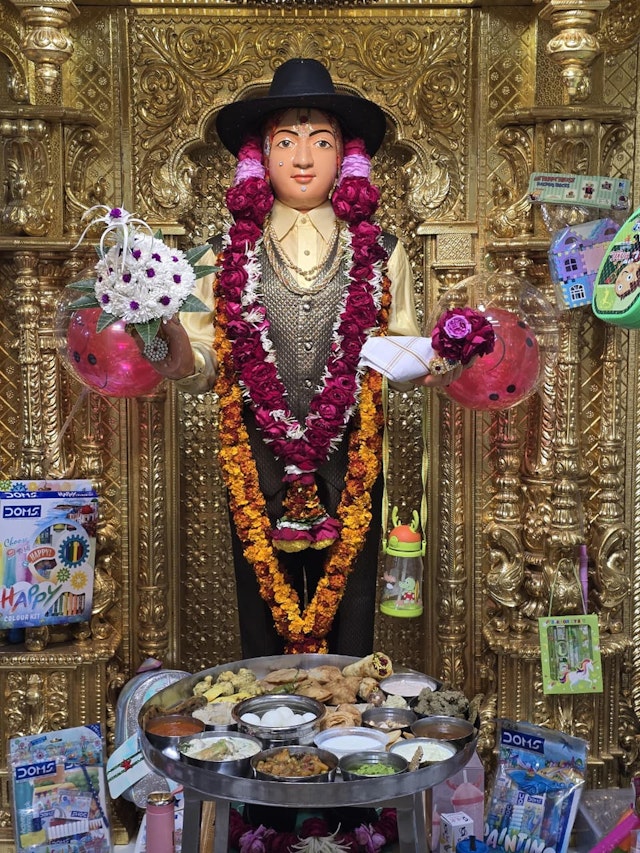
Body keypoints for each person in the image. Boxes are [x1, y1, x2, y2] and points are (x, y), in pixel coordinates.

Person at [144, 58, 466, 660]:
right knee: (260, 606)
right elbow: (203, 360)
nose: (302, 158)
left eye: (321, 141)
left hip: (351, 457)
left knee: (352, 606)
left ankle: (350, 710)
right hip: (256, 459)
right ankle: (268, 715)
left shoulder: (382, 250)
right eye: (286, 142)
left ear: (345, 158)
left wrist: (447, 355)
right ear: (260, 157)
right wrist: (167, 347)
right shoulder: (220, 254)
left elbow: (400, 347)